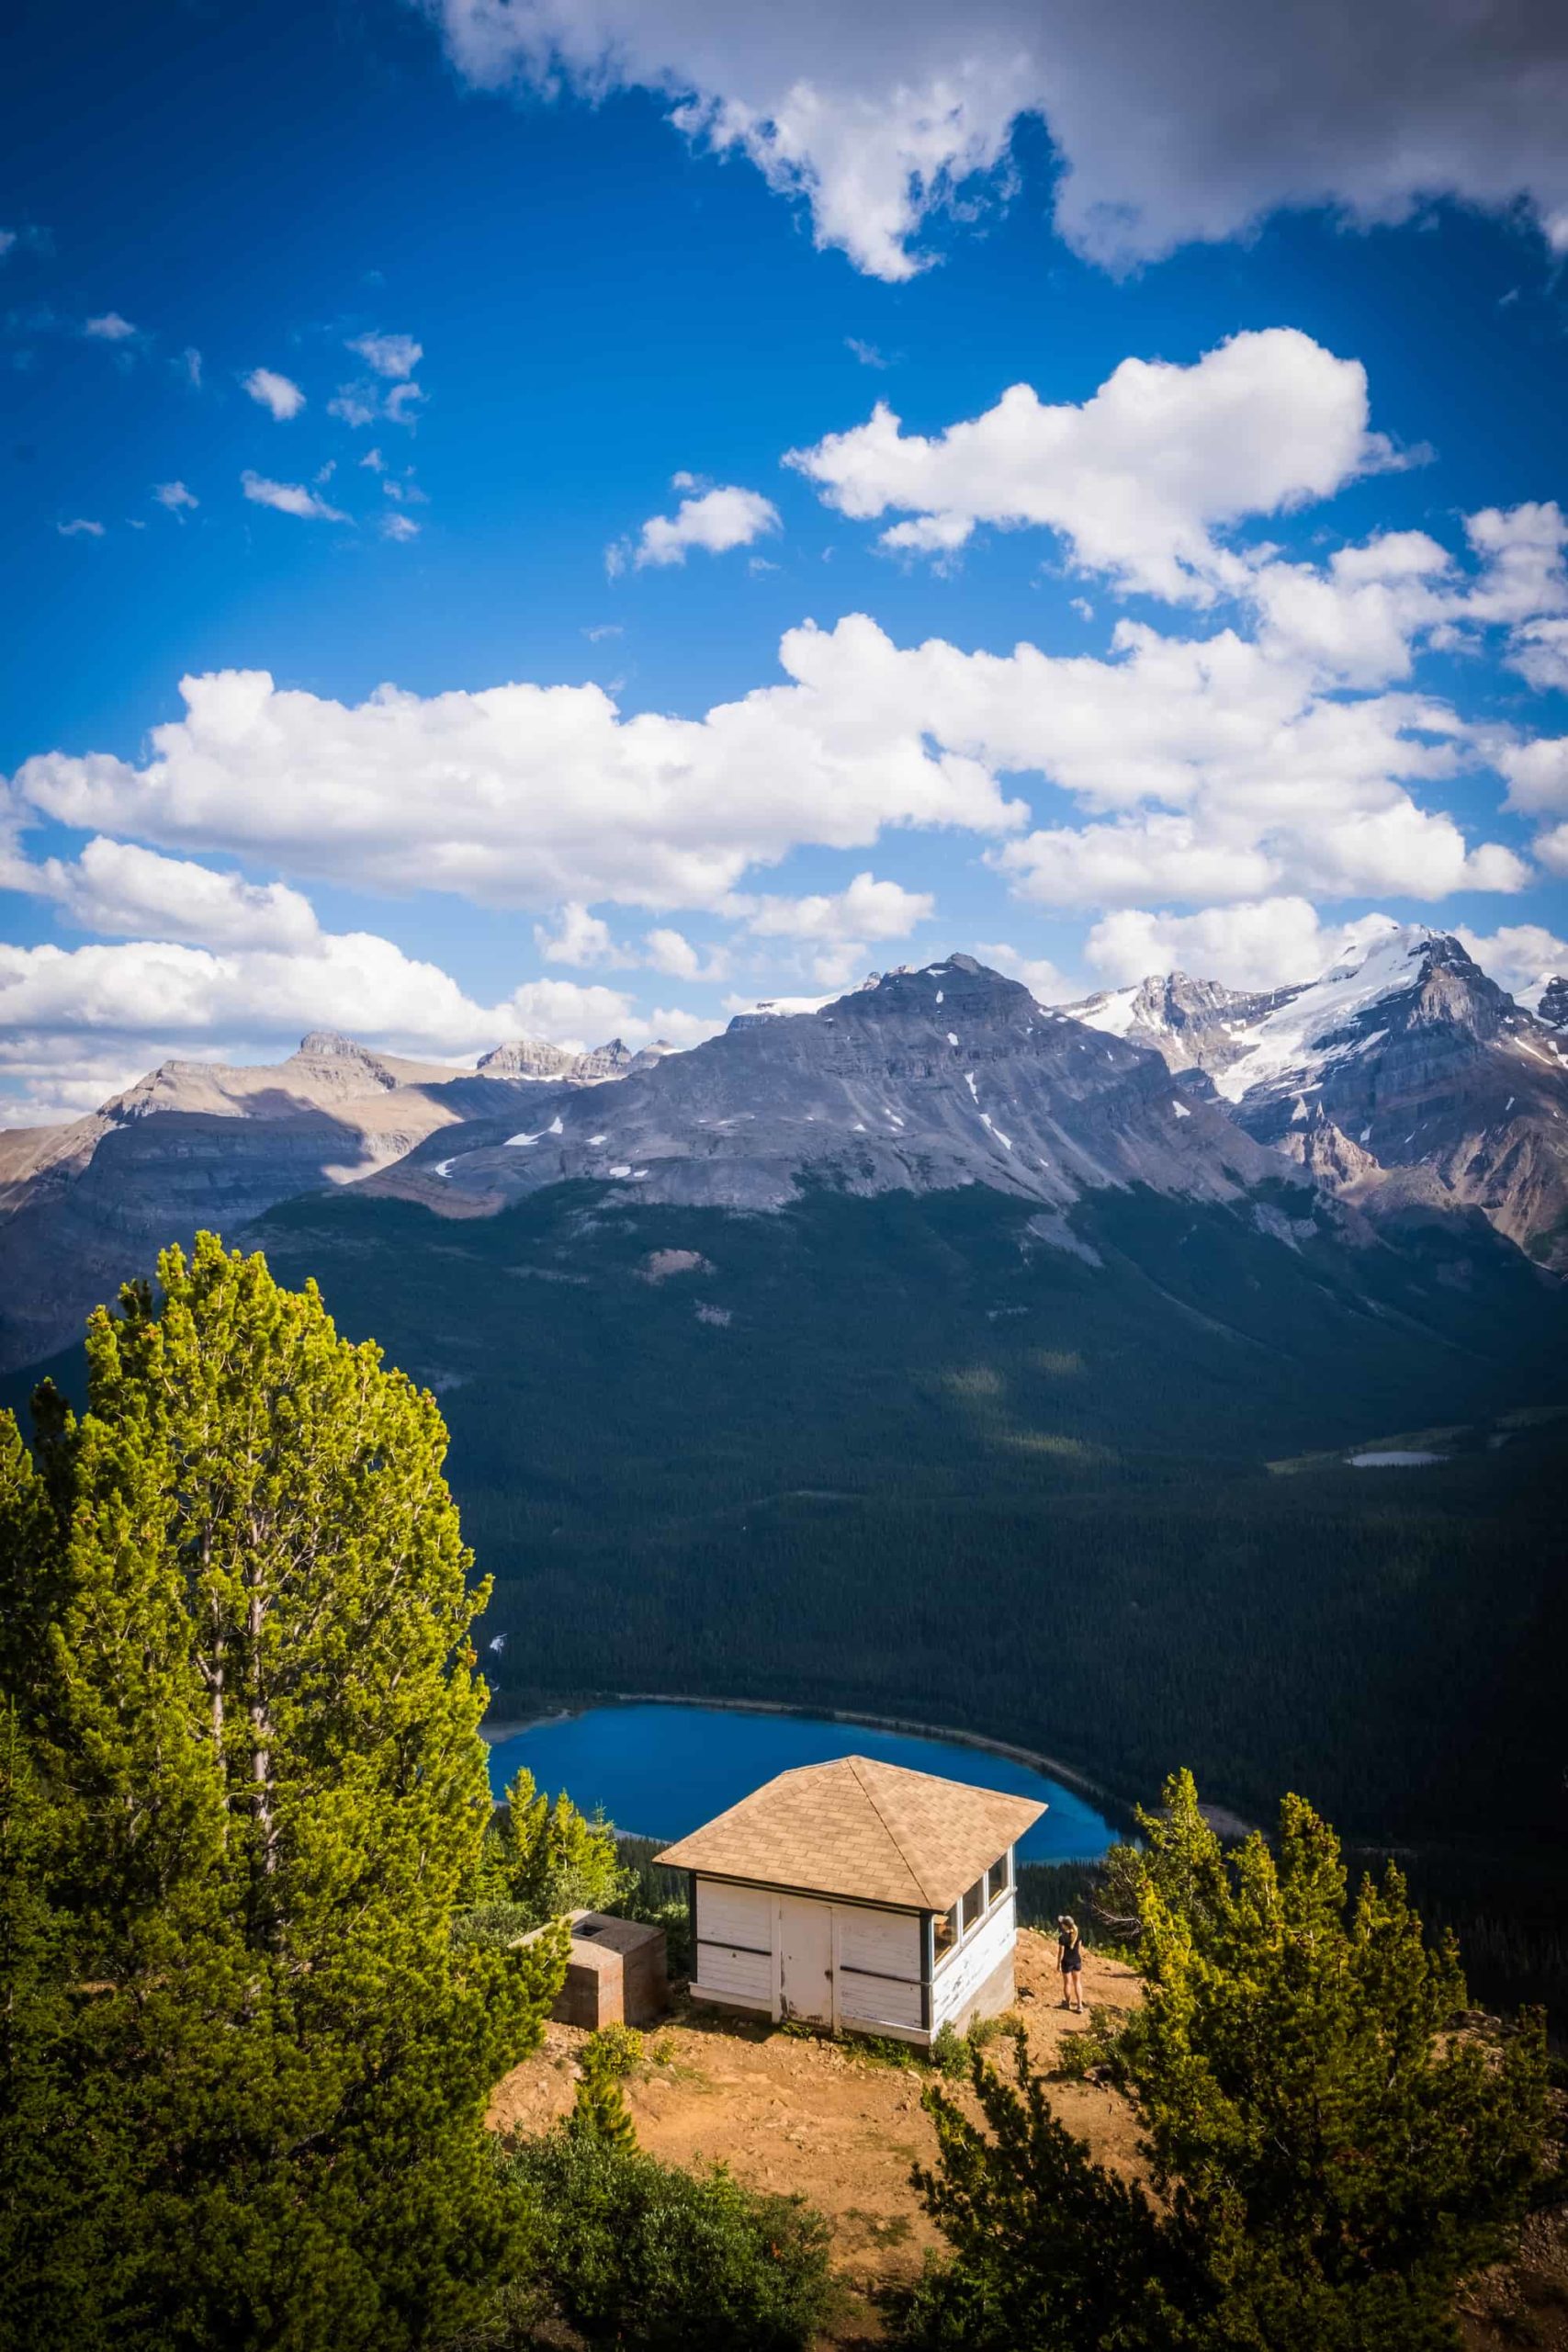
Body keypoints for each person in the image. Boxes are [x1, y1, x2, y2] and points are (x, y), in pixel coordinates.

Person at [1056, 1913, 1084, 2013]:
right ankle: (1079, 2005)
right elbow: (1079, 1948)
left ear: (1065, 1925)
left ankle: (1067, 2004)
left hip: (1066, 1962)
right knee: (1077, 1983)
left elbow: (1061, 1952)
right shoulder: (1078, 1934)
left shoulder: (1062, 1937)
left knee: (1067, 1983)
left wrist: (1058, 1964)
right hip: (1077, 1960)